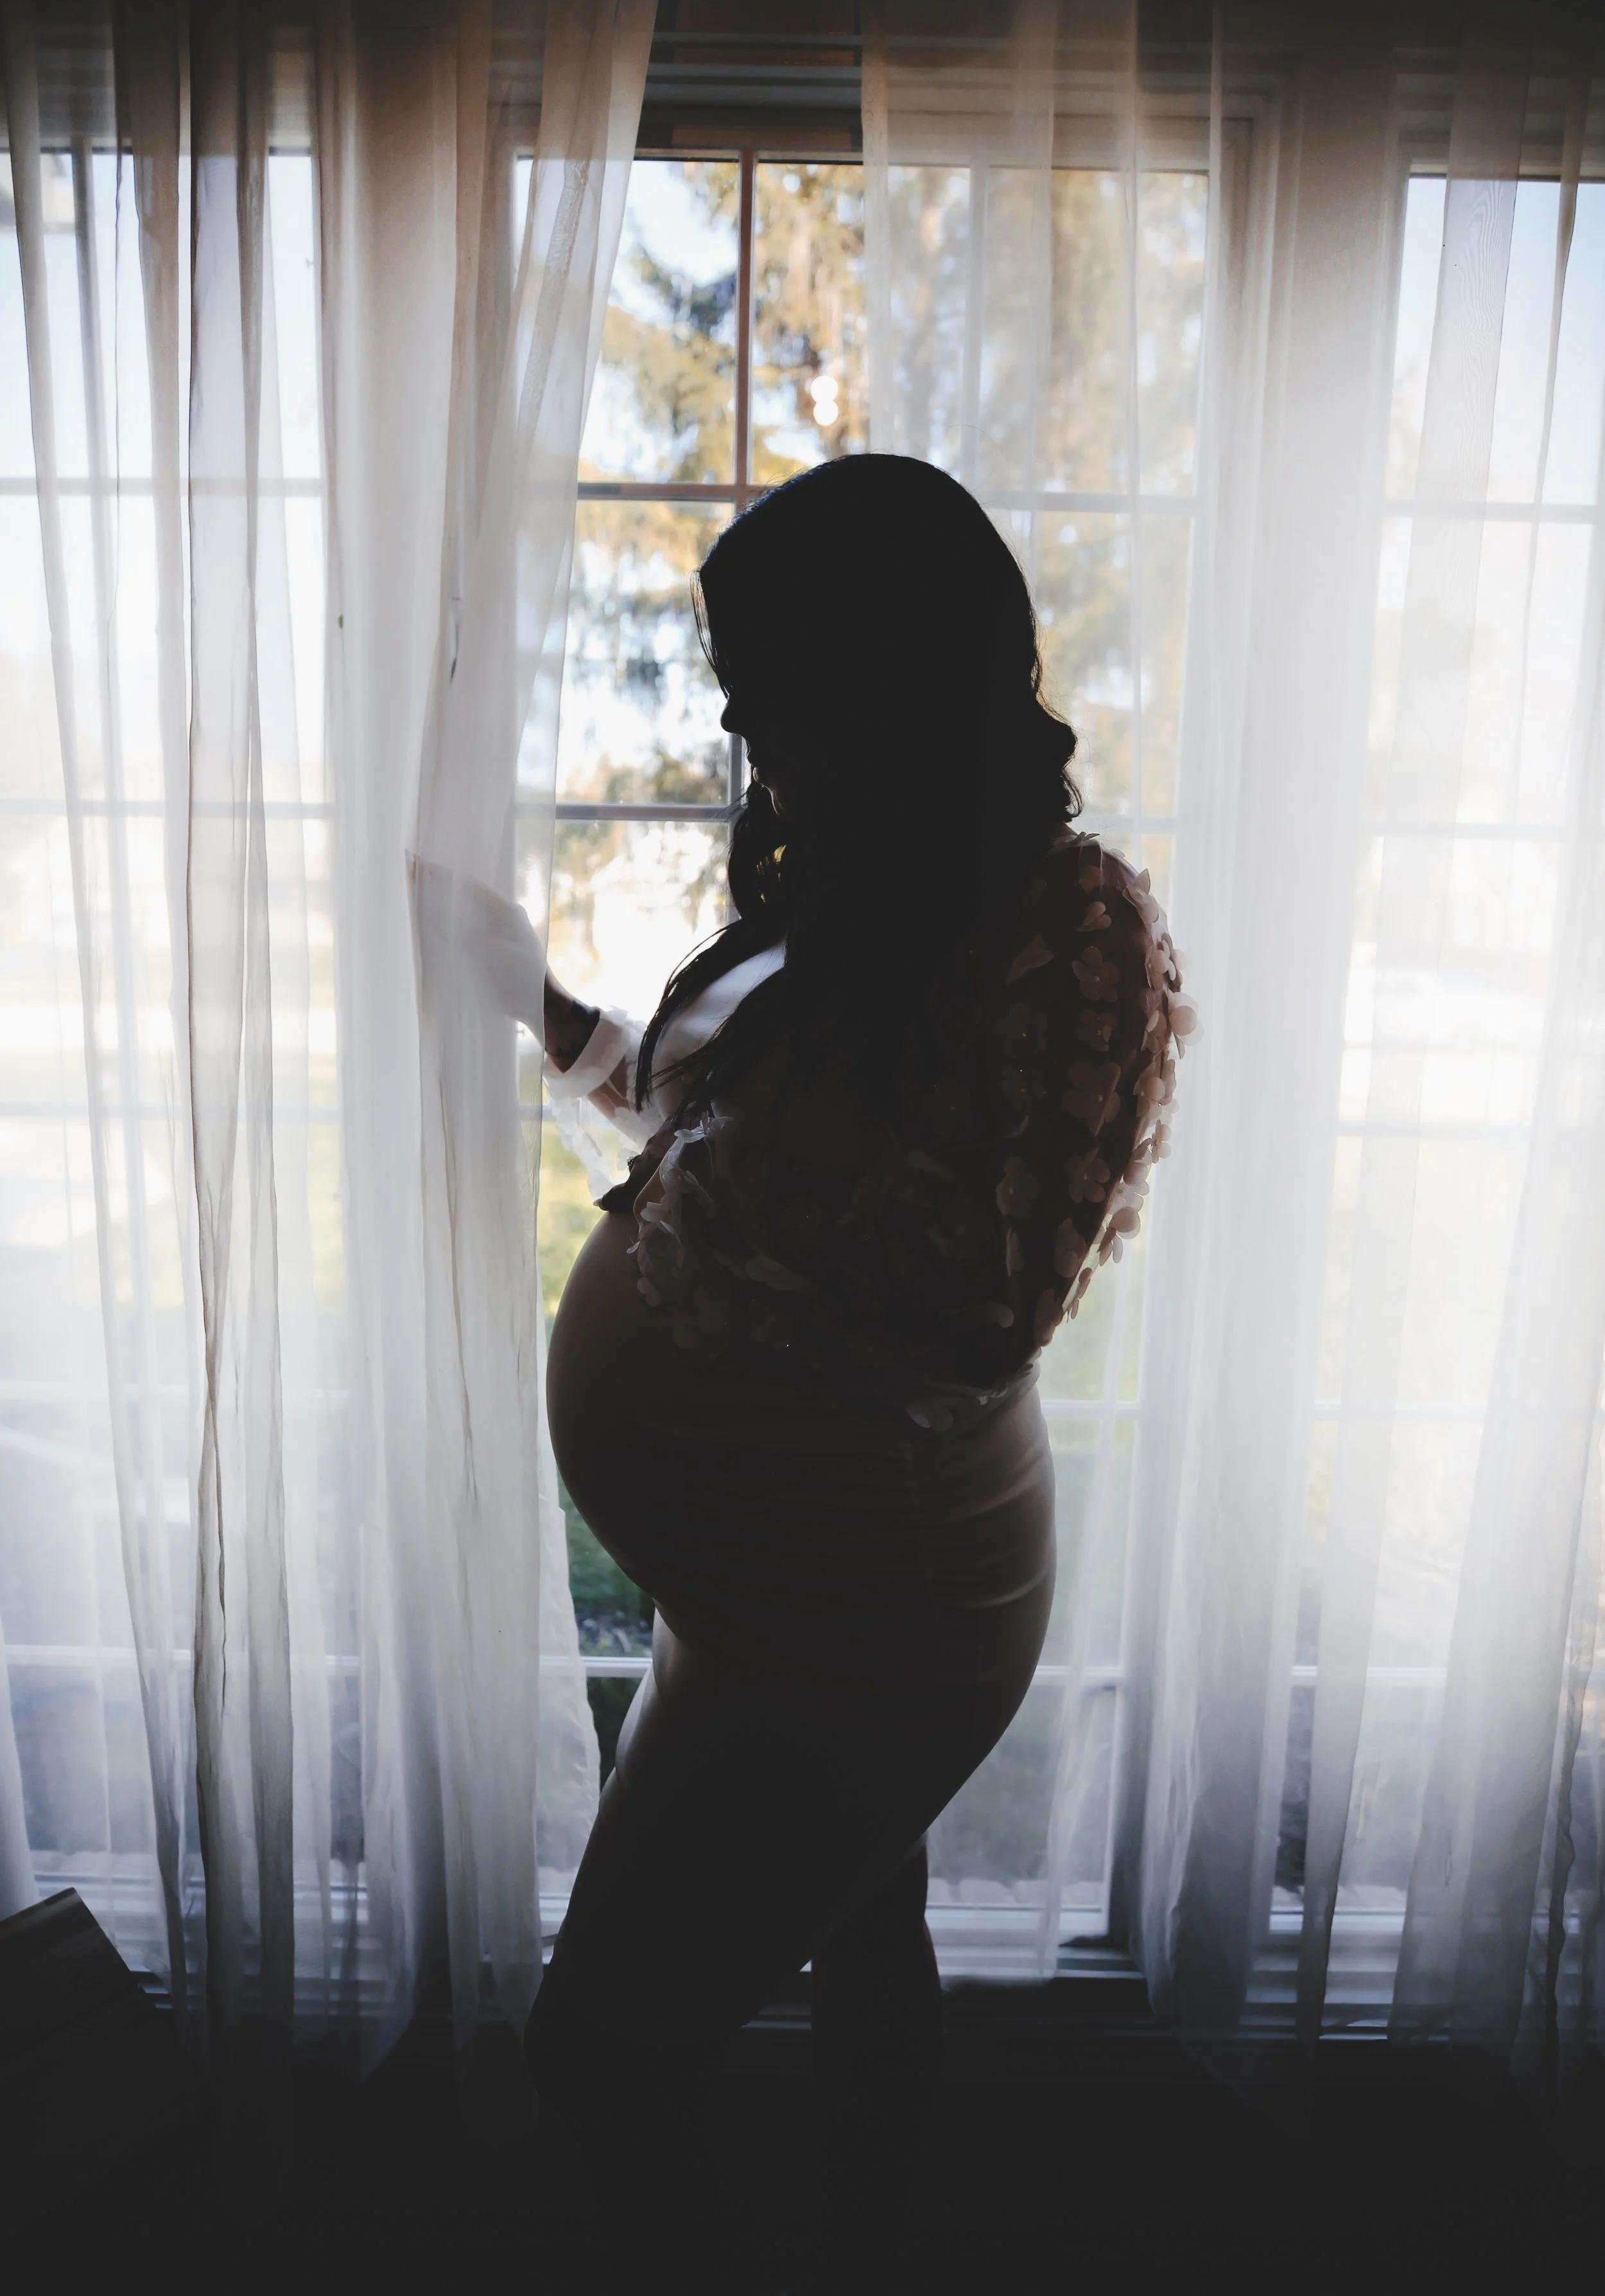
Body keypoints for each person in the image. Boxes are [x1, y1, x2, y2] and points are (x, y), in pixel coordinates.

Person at [474, 455, 1190, 2290]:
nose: (726, 711)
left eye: (761, 669)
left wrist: (693, 1234)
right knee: (860, 1917)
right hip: (775, 1569)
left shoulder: (1064, 923)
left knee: (595, 2055)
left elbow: (987, 1295)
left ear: (881, 675)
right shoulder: (841, 889)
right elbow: (732, 1125)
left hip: (873, 1590)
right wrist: (543, 1011)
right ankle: (864, 2251)